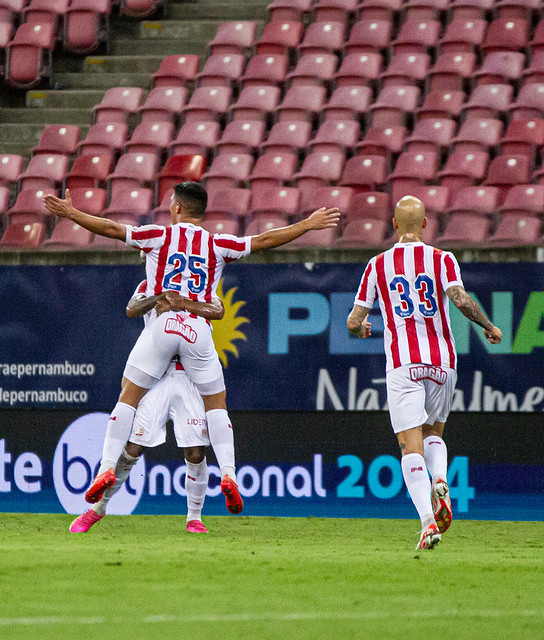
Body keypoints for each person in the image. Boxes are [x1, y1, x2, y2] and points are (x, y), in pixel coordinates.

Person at [44, 182, 339, 516]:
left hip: (164, 325)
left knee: (128, 396)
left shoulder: (158, 237)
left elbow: (111, 228)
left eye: (171, 202)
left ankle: (106, 467)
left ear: (178, 208)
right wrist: (306, 224)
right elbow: (265, 241)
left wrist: (72, 214)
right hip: (197, 330)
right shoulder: (217, 243)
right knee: (217, 405)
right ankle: (229, 474)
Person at [346, 195, 502, 551]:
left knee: (408, 445)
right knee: (434, 433)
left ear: (395, 224)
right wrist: (488, 326)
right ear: (427, 225)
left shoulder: (377, 265)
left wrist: (361, 328)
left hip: (404, 364)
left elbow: (354, 319)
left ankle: (427, 523)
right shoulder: (442, 258)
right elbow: (460, 298)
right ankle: (442, 480)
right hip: (443, 362)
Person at [70, 283, 225, 535]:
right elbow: (132, 308)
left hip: (190, 375)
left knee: (195, 451)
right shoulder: (149, 283)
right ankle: (97, 509)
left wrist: (184, 303)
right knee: (134, 446)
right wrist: (159, 298)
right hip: (157, 374)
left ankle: (194, 518)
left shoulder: (201, 280)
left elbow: (217, 308)